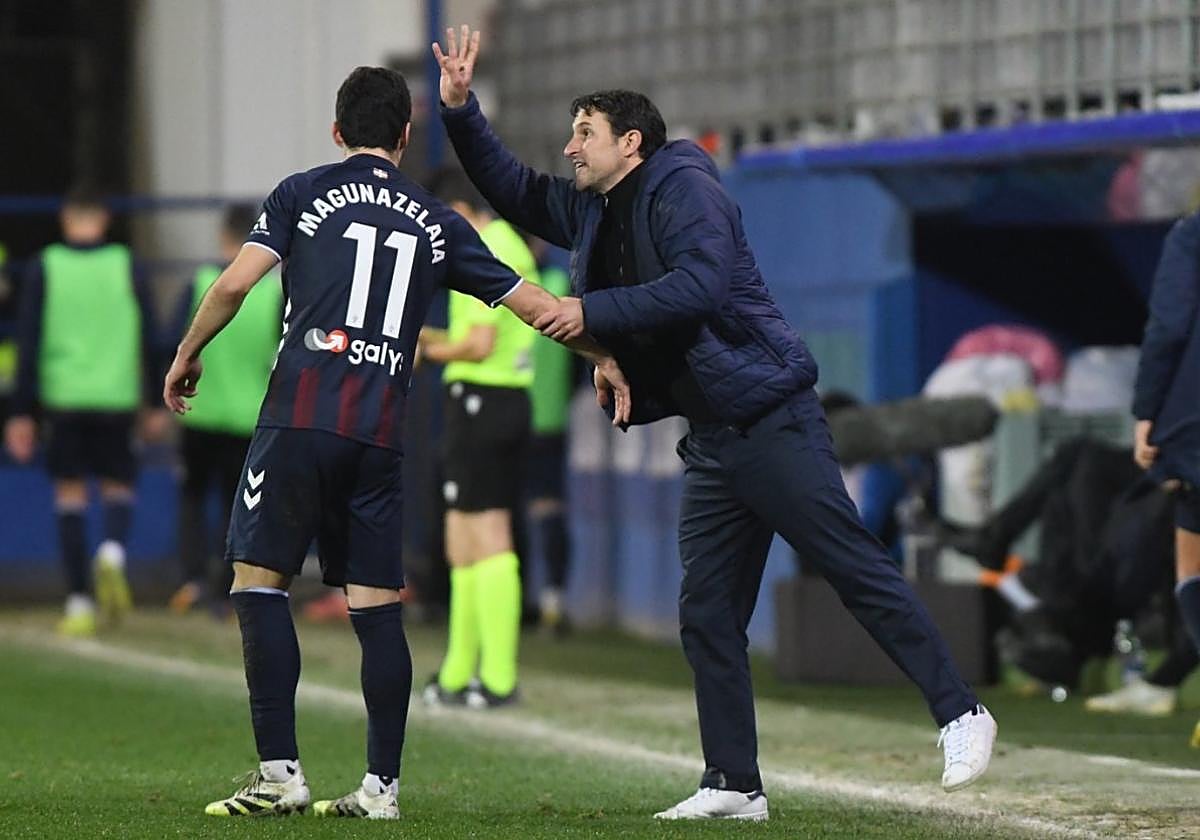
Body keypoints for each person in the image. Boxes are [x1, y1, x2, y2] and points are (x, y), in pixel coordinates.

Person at [433, 25, 995, 821]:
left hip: (770, 421)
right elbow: (514, 190)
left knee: (852, 568)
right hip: (712, 440)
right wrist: (461, 110)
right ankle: (734, 782)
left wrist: (589, 314)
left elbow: (698, 286)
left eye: (584, 133)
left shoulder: (685, 186)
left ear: (631, 142)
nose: (569, 148)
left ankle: (961, 712)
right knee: (705, 613)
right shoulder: (595, 208)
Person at [163, 65, 629, 820]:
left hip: (299, 419)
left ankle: (280, 775)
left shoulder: (300, 193)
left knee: (259, 583)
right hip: (379, 433)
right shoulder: (438, 221)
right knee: (377, 607)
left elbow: (233, 286)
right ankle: (381, 789)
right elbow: (536, 306)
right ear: (406, 137)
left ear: (336, 130)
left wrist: (187, 353)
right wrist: (602, 356)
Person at [4, 186, 166, 637]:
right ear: (105, 218)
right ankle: (112, 551)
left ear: (65, 218)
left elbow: (29, 341)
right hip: (116, 395)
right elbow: (151, 334)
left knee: (70, 496)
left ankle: (78, 600)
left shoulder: (46, 266)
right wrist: (155, 400)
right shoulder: (126, 264)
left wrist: (20, 412)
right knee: (119, 486)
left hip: (65, 397)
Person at [417, 168, 539, 708]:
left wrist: (426, 352)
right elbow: (476, 334)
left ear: (458, 211)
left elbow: (482, 344)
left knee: (487, 533)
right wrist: (433, 338)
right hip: (483, 402)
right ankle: (458, 671)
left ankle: (498, 677)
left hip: (487, 401)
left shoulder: (488, 246)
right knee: (461, 537)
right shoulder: (501, 242)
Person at [168, 204, 282, 615]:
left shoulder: (202, 283)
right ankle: (224, 587)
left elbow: (174, 340)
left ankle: (192, 580)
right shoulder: (274, 294)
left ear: (222, 236)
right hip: (248, 416)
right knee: (237, 505)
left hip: (198, 410)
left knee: (193, 498)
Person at [1132, 210, 1200, 720]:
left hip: (1194, 422)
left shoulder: (1192, 234)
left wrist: (1147, 410)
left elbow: (1170, 326)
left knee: (1192, 565)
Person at [525, 236, 575, 634]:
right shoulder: (556, 284)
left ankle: (550, 601)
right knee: (522, 513)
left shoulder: (554, 283)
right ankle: (537, 601)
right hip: (530, 415)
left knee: (542, 511)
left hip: (535, 416)